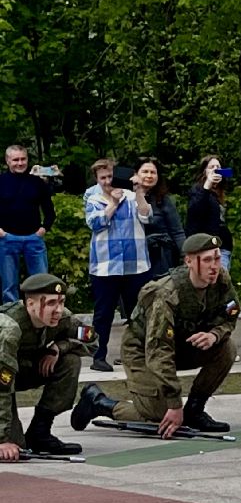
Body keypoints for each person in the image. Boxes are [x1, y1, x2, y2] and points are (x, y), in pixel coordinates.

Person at [73, 234, 239, 438]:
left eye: (216, 258)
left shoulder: (221, 281)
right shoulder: (166, 294)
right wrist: (174, 403)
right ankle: (99, 402)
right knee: (161, 416)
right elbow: (159, 351)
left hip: (180, 346)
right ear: (189, 262)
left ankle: (195, 411)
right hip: (142, 351)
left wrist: (214, 335)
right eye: (206, 260)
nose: (214, 266)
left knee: (227, 347)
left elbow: (229, 316)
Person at [0, 274, 88, 459]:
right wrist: (2, 439)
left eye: (61, 302)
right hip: (4, 379)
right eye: (50, 303)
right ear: (30, 304)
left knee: (70, 360)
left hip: (19, 372)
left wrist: (59, 348)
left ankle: (40, 431)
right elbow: (2, 386)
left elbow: (92, 339)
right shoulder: (9, 328)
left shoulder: (63, 318)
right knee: (13, 446)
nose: (58, 310)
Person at [84, 159, 152, 372]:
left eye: (110, 177)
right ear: (97, 180)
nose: (107, 182)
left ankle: (137, 354)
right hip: (105, 266)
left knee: (137, 312)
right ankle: (98, 356)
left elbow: (147, 217)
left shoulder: (133, 197)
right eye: (102, 178)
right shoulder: (93, 198)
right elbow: (94, 223)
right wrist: (112, 203)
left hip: (135, 264)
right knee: (103, 313)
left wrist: (139, 191)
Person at [0, 145, 56, 303]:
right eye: (15, 159)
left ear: (27, 160)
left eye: (23, 159)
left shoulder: (38, 183)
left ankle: (43, 314)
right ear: (7, 161)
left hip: (34, 238)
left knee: (42, 283)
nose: (20, 163)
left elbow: (49, 211)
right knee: (8, 285)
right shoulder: (1, 182)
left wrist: (44, 228)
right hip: (7, 239)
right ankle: (12, 319)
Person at [137, 158, 186, 279]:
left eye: (153, 172)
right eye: (145, 172)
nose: (149, 175)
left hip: (161, 257)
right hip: (135, 256)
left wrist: (186, 254)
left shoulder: (164, 200)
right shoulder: (126, 197)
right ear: (136, 174)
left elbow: (177, 232)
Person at [185, 155, 234, 272]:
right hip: (204, 247)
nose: (215, 169)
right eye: (211, 167)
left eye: (218, 167)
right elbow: (195, 211)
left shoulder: (219, 192)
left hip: (222, 247)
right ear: (204, 171)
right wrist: (208, 184)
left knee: (220, 283)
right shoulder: (197, 190)